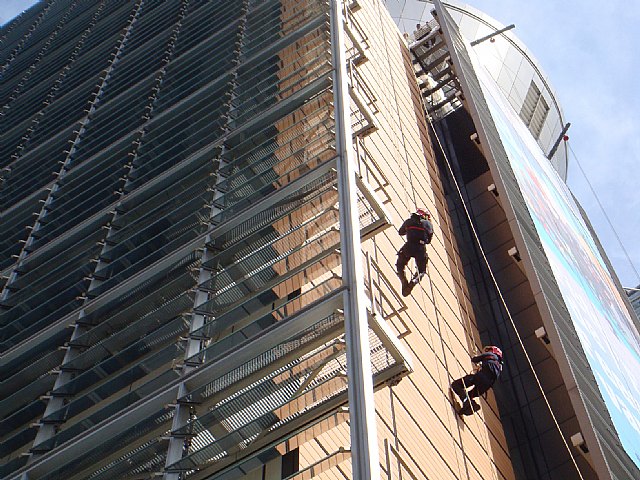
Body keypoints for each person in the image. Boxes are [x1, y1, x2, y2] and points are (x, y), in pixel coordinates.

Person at [450, 345, 503, 416]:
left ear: (494, 351)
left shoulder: (491, 355)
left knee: (456, 385)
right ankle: (469, 405)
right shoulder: (498, 368)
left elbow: (475, 359)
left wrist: (475, 358)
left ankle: (469, 404)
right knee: (468, 395)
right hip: (485, 387)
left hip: (479, 378)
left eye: (489, 350)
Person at [396, 208, 434, 287]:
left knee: (400, 264)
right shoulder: (428, 224)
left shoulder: (409, 221)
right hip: (420, 248)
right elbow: (428, 241)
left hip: (409, 246)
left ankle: (403, 279)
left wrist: (409, 230)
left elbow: (400, 232)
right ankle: (414, 281)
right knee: (421, 270)